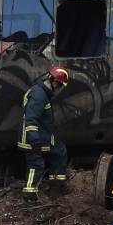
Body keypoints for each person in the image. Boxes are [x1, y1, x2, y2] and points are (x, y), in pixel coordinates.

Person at [17, 66, 69, 203]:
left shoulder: (42, 93)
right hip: (33, 139)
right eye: (60, 87)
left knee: (59, 151)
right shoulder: (39, 95)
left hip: (43, 137)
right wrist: (34, 140)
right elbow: (31, 118)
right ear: (55, 83)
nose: (59, 90)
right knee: (36, 164)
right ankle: (29, 194)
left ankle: (56, 187)